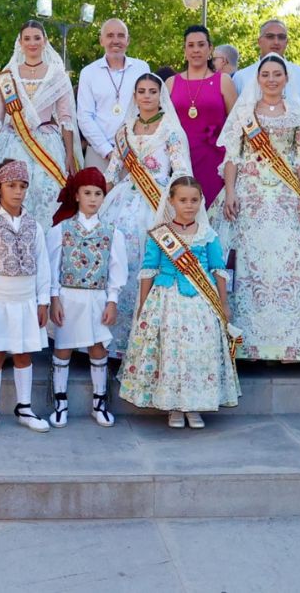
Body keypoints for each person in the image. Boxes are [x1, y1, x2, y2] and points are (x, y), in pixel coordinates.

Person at [219, 54, 300, 362]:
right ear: (258, 79)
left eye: (278, 74)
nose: (272, 79)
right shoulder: (245, 113)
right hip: (248, 195)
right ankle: (245, 341)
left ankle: (295, 343)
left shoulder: (297, 112)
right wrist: (230, 190)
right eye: (266, 74)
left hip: (288, 194)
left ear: (286, 79)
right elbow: (232, 156)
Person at [118, 175, 240, 429]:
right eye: (183, 200)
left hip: (201, 302)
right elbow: (148, 270)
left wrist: (224, 304)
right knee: (170, 351)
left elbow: (218, 270)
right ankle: (173, 407)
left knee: (198, 351)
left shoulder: (208, 234)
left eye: (194, 200)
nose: (189, 205)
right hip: (166, 300)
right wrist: (142, 306)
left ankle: (194, 405)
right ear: (171, 201)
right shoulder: (160, 235)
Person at [101, 73, 192, 357]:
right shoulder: (124, 130)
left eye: (152, 91)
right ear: (135, 96)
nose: (147, 96)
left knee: (151, 260)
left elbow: (179, 170)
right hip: (124, 198)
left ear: (160, 95)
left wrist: (176, 204)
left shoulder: (171, 129)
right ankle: (113, 337)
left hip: (159, 198)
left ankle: (152, 338)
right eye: (141, 91)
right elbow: (114, 171)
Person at [0, 160, 52, 436]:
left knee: (23, 354)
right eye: (11, 186)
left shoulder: (34, 226)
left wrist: (43, 302)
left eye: (22, 186)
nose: (17, 192)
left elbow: (43, 267)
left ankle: (24, 407)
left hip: (26, 301)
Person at [47, 168, 126, 428]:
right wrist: (54, 298)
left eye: (98, 193)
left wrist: (112, 300)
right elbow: (52, 266)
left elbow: (116, 270)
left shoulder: (112, 232)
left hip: (97, 297)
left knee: (97, 346)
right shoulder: (61, 230)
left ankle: (99, 402)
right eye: (87, 193)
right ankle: (60, 401)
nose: (93, 198)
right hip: (68, 296)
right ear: (77, 195)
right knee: (63, 346)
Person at [0, 20, 78, 226]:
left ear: (45, 41)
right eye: (27, 38)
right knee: (12, 195)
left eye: (37, 38)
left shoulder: (57, 75)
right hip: (12, 142)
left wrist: (69, 154)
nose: (32, 43)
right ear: (20, 42)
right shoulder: (7, 76)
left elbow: (66, 118)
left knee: (48, 193)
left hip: (47, 144)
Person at [167, 25, 237, 205]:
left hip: (215, 160)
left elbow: (237, 125)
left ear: (210, 49)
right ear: (184, 50)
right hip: (179, 160)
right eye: (190, 45)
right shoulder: (171, 83)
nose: (196, 50)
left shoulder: (223, 81)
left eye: (201, 45)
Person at [75, 18, 149, 172]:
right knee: (97, 196)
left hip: (136, 153)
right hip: (99, 154)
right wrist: (107, 151)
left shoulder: (141, 68)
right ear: (101, 40)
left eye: (121, 36)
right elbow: (84, 116)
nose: (116, 40)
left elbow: (148, 108)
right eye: (110, 35)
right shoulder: (88, 73)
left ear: (127, 41)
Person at [233, 20, 300, 140]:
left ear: (287, 42)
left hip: (294, 153)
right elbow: (235, 119)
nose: (276, 42)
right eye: (270, 37)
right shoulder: (241, 77)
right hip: (253, 152)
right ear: (259, 42)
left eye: (281, 37)